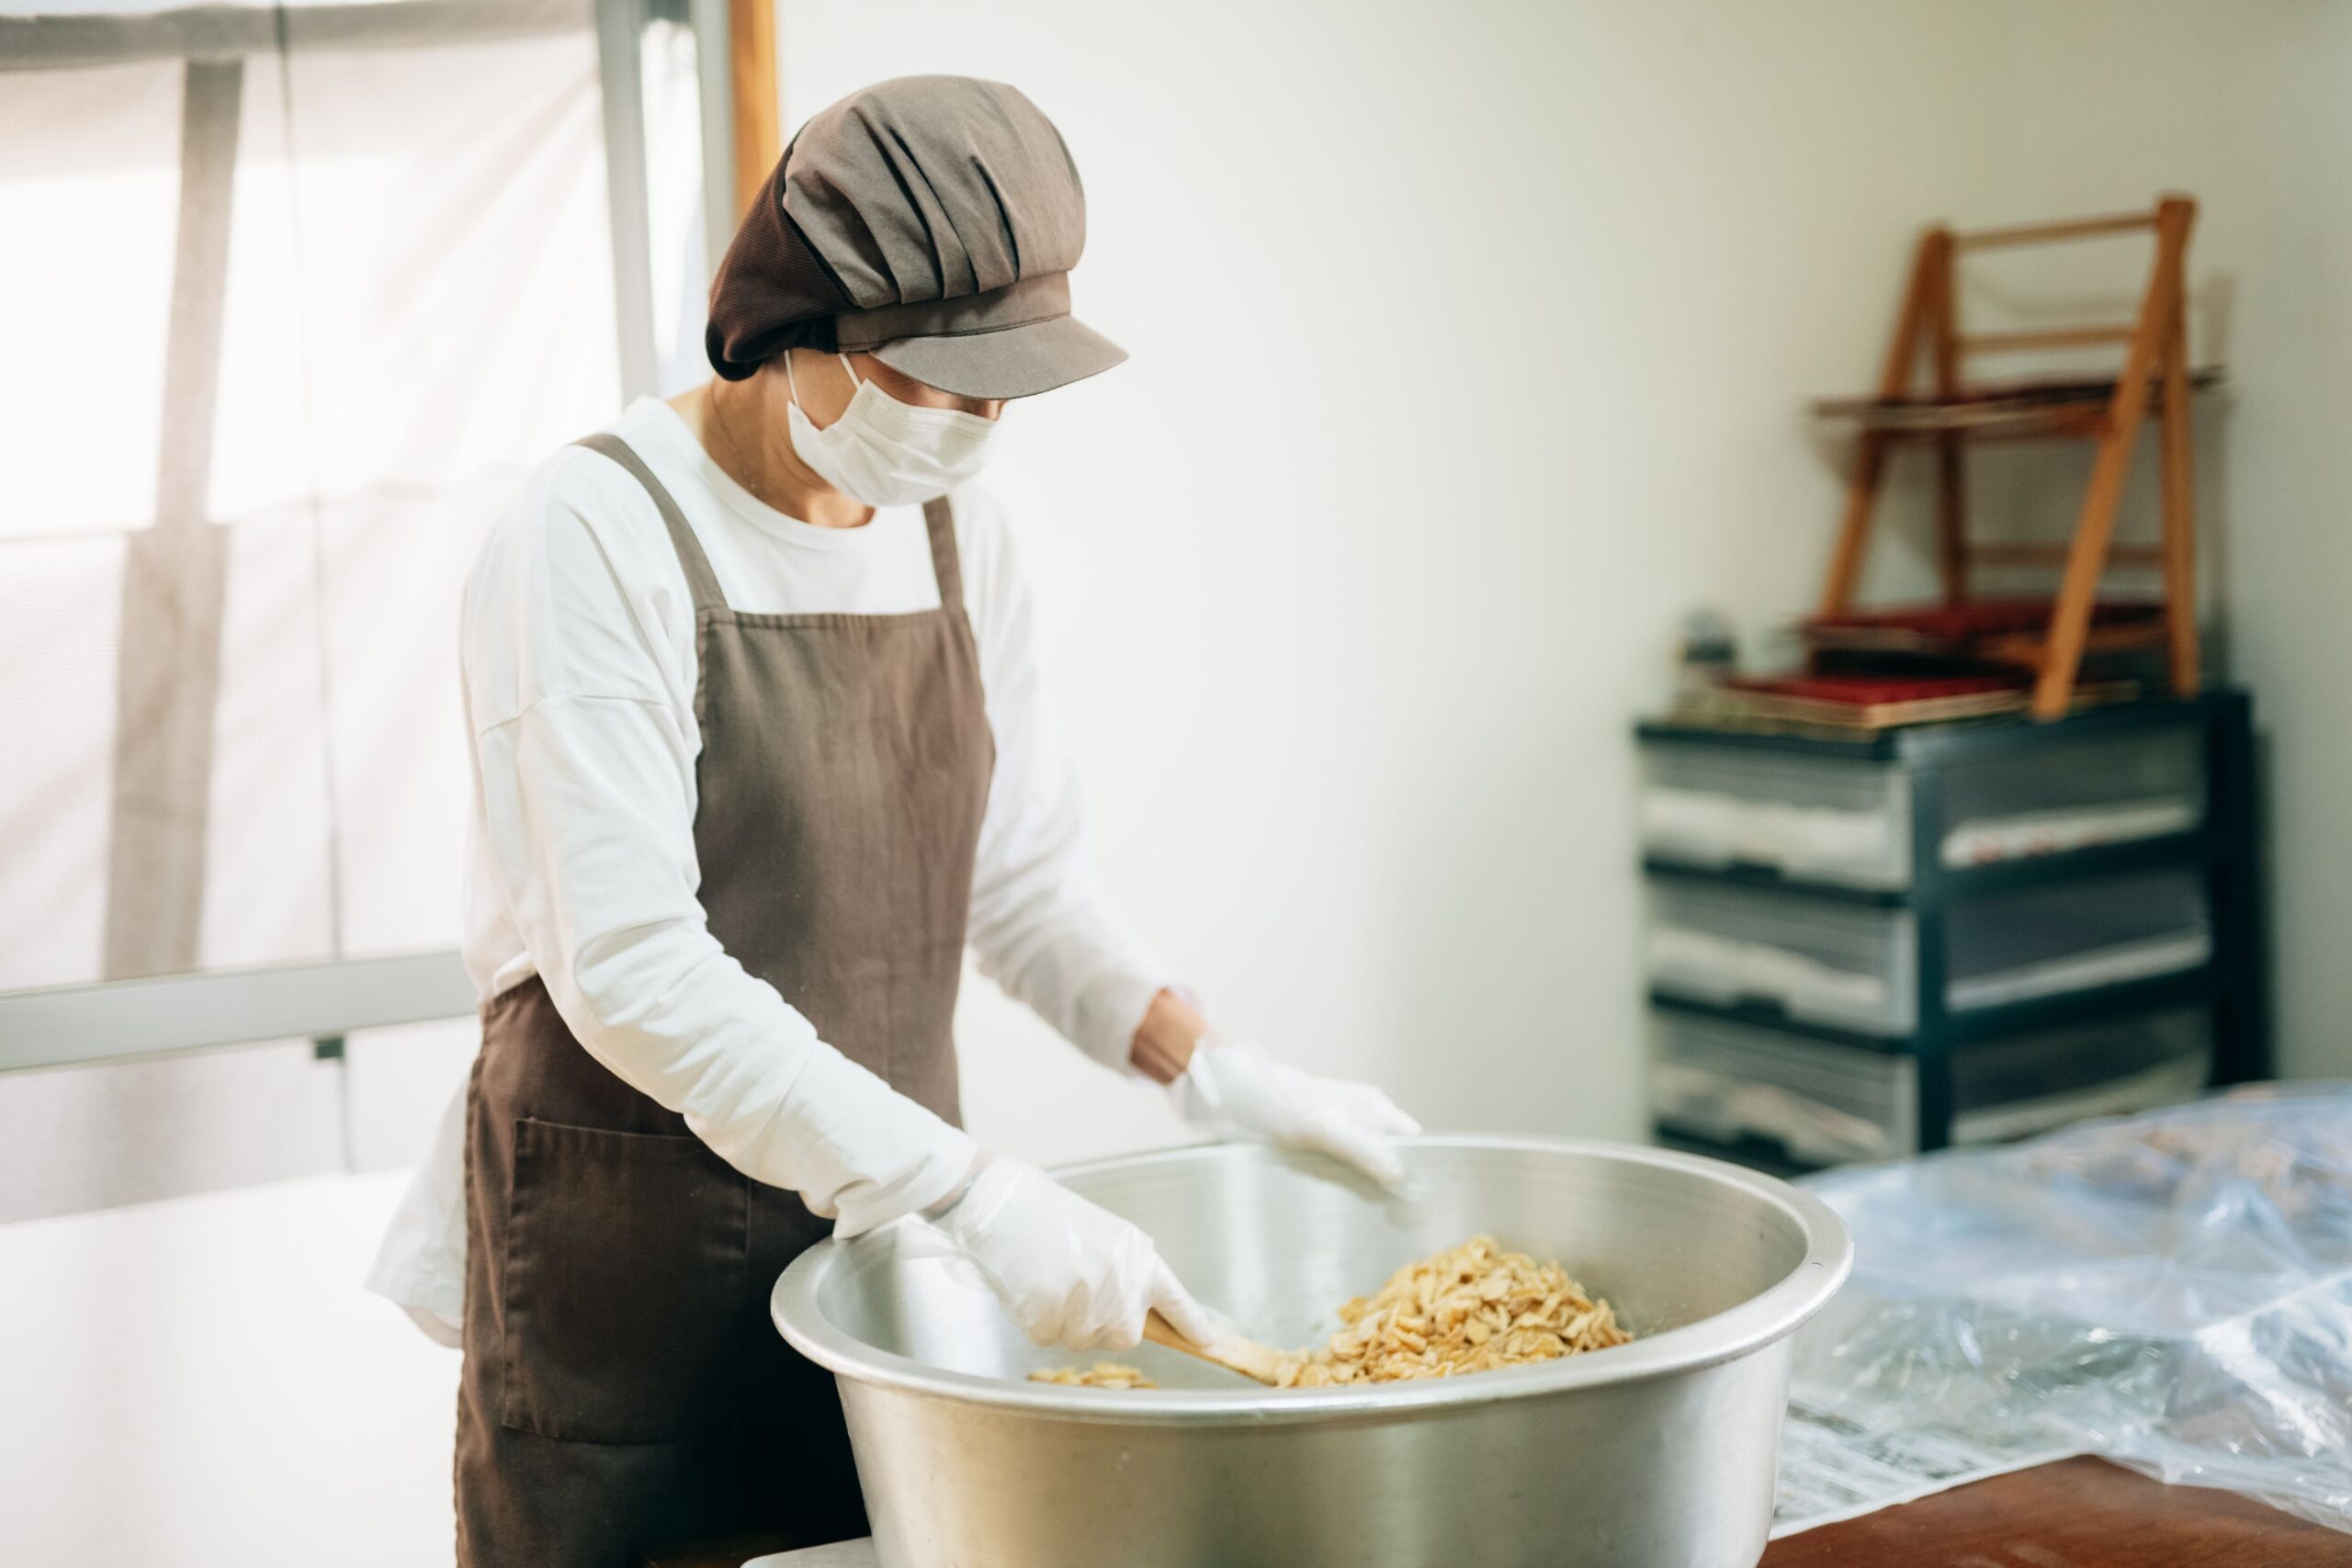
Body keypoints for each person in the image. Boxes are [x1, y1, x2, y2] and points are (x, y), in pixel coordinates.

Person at [365, 74, 1418, 1567]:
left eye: (1005, 388)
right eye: (939, 380)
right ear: (798, 324)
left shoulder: (955, 532)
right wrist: (977, 1188)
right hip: (631, 1281)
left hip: (879, 1261)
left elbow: (1024, 882)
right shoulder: (592, 535)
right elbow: (634, 970)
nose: (978, 427)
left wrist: (1214, 1069)